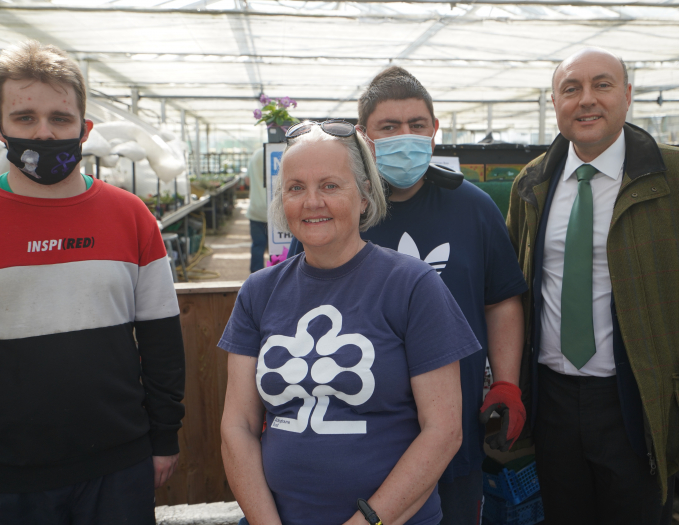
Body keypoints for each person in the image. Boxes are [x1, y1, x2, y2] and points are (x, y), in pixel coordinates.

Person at [506, 47, 679, 524]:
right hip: (552, 399)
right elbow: (516, 288)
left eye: (602, 85)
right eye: (571, 88)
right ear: (554, 103)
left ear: (626, 96)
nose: (586, 100)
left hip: (638, 400)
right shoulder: (533, 183)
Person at [0, 40, 186, 524]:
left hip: (116, 466)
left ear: (84, 127)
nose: (44, 133)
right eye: (25, 118)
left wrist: (164, 438)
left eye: (60, 118)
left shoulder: (131, 216)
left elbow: (162, 339)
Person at [288, 68, 529, 524]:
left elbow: (500, 301)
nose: (406, 136)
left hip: (452, 430)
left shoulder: (474, 208)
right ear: (363, 137)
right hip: (359, 434)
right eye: (389, 127)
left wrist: (506, 383)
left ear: (435, 130)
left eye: (417, 125)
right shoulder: (339, 211)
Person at [219, 120, 481, 525]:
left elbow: (444, 430)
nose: (311, 202)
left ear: (364, 196)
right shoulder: (258, 292)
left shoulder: (413, 286)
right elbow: (237, 425)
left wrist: (368, 521)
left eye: (329, 185)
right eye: (295, 188)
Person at [246, 147, 268, 273]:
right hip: (275, 210)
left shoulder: (255, 155)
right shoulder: (280, 152)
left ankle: (256, 277)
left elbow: (247, 180)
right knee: (277, 250)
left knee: (258, 245)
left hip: (256, 209)